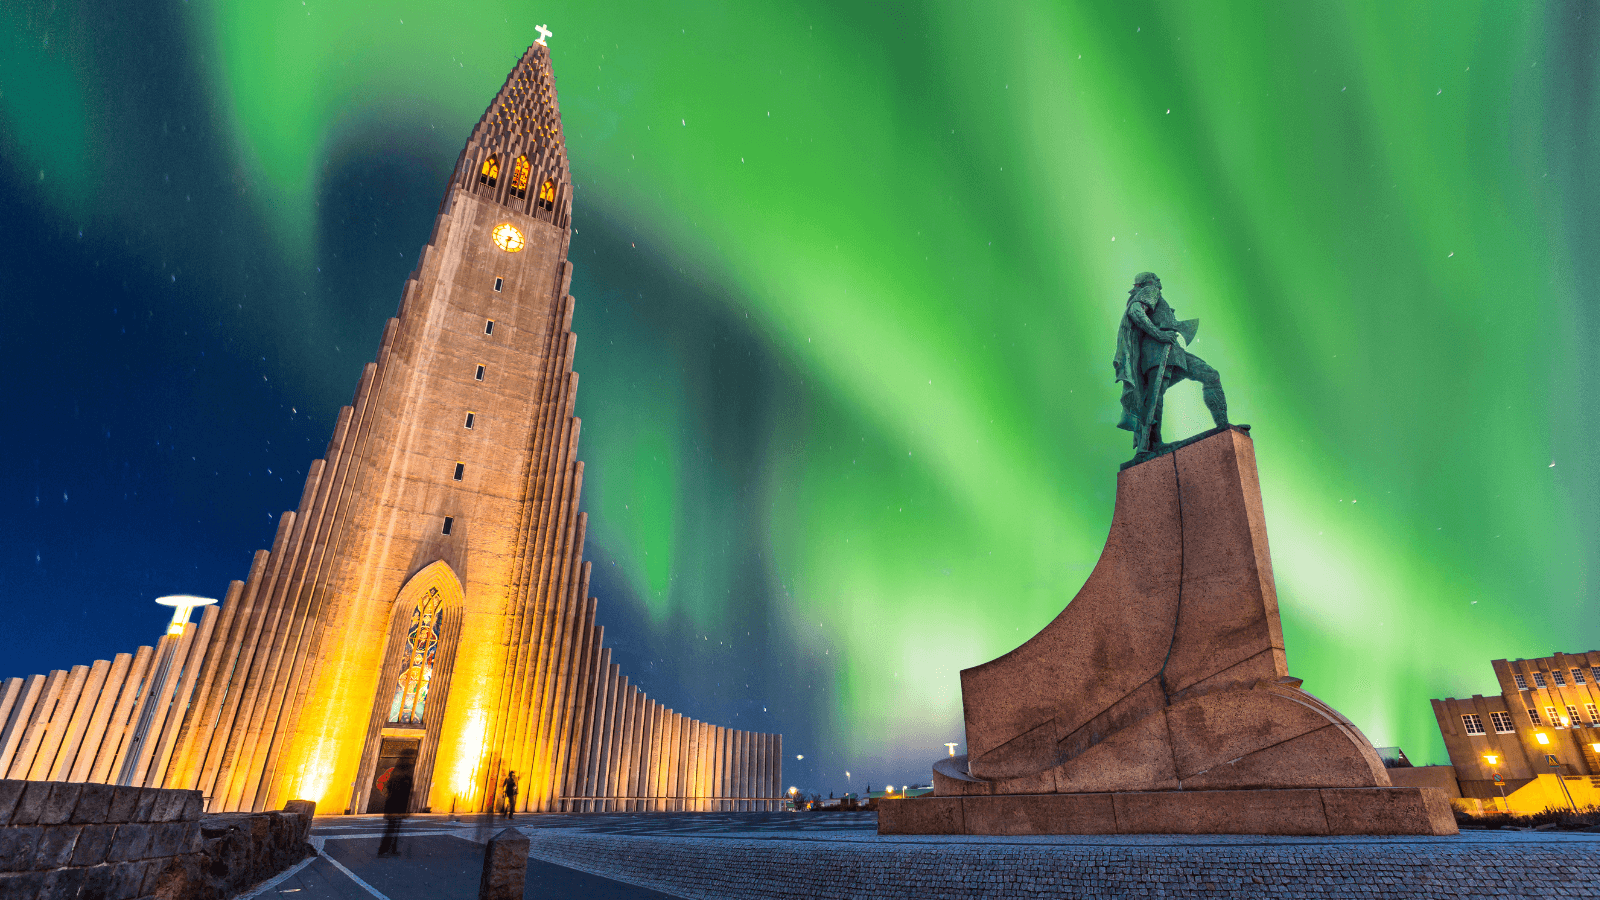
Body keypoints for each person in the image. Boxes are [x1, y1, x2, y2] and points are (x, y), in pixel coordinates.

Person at [1112, 272, 1228, 450]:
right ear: (1147, 283)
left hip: (1172, 351)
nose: (1159, 281)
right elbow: (1136, 311)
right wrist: (1160, 334)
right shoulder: (1150, 291)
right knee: (1154, 396)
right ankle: (1152, 444)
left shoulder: (1154, 294)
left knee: (1209, 375)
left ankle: (1223, 427)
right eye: (1155, 278)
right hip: (1158, 351)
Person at [377, 749, 415, 857]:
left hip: (397, 803)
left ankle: (391, 849)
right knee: (392, 828)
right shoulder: (403, 770)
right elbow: (399, 788)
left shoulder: (401, 769)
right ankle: (384, 850)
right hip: (396, 804)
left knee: (394, 828)